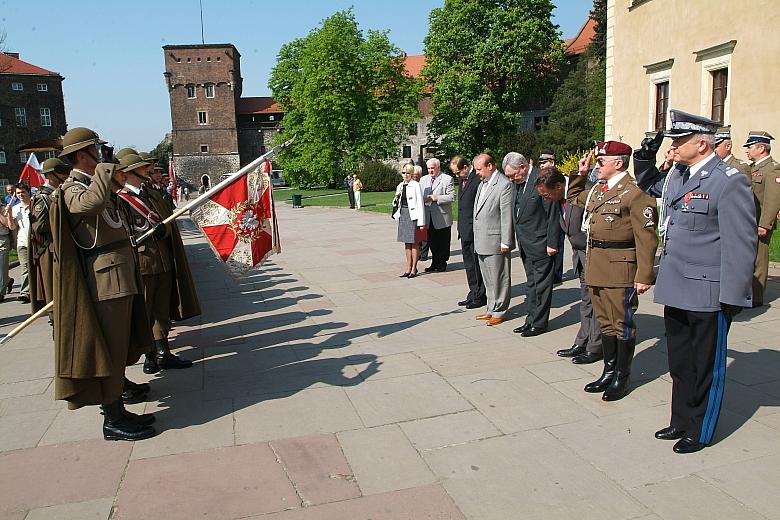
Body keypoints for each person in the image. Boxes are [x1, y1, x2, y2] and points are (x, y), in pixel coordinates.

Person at [633, 110, 756, 454]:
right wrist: (644, 154)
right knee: (681, 363)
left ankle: (700, 429)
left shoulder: (729, 180)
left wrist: (731, 297)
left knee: (706, 367)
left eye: (679, 140)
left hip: (708, 291)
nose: (673, 146)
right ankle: (680, 419)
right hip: (676, 286)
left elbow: (741, 243)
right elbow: (647, 183)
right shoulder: (680, 176)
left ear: (701, 144)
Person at [51, 127, 156, 441]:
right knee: (110, 349)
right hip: (106, 280)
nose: (101, 156)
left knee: (119, 344)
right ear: (83, 156)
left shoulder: (94, 184)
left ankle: (118, 410)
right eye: (96, 151)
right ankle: (112, 418)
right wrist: (105, 170)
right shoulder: (72, 188)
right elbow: (91, 205)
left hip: (119, 275)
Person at [568, 141, 658, 402]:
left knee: (621, 323)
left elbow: (647, 238)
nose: (596, 166)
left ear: (618, 163)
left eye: (600, 162)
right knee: (605, 322)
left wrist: (644, 275)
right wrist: (580, 174)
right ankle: (608, 371)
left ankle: (622, 375)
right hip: (597, 264)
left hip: (621, 267)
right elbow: (574, 198)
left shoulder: (635, 192)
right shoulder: (598, 189)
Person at [117, 153, 201, 374]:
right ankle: (149, 355)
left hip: (162, 260)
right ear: (127, 173)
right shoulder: (121, 199)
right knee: (144, 311)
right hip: (143, 264)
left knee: (160, 310)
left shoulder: (150, 194)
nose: (147, 170)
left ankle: (163, 352)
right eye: (141, 168)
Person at [536, 169, 604, 364]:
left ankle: (596, 347)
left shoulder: (587, 191)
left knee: (596, 302)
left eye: (547, 195)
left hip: (595, 255)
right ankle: (582, 341)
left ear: (559, 186)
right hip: (580, 256)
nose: (546, 199)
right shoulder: (558, 198)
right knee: (586, 302)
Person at [505, 153, 560, 337]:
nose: (512, 179)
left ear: (522, 167)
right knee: (531, 285)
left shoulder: (540, 179)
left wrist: (552, 242)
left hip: (541, 242)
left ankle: (539, 323)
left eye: (513, 175)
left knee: (542, 286)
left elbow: (551, 212)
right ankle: (530, 319)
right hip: (526, 243)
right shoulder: (517, 184)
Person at [473, 154, 515, 326]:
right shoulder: (482, 184)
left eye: (479, 169)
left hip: (495, 239)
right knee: (488, 277)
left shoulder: (504, 185)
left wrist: (506, 241)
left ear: (490, 166)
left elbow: (506, 215)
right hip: (481, 239)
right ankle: (491, 307)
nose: (477, 173)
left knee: (499, 277)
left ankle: (500, 310)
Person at [29, 157, 71, 312]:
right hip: (50, 250)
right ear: (51, 175)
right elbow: (39, 226)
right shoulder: (44, 197)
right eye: (61, 172)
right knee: (55, 293)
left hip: (60, 247)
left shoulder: (57, 193)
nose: (65, 175)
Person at [743, 131, 780, 308]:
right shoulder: (753, 167)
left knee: (759, 259)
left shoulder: (772, 168)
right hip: (749, 221)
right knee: (749, 257)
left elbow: (772, 200)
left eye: (750, 147)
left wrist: (765, 224)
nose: (747, 151)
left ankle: (756, 297)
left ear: (761, 148)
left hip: (759, 222)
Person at [453, 155, 486, 309]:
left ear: (466, 167)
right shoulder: (463, 179)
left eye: (458, 172)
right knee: (468, 264)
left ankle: (480, 294)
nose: (457, 176)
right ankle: (473, 292)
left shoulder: (477, 179)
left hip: (474, 229)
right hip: (464, 228)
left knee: (476, 264)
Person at [422, 158, 455, 272]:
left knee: (443, 242)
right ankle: (434, 262)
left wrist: (436, 198)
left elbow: (451, 197)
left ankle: (442, 263)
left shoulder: (447, 179)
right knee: (432, 241)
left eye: (433, 168)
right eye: (429, 168)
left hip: (442, 217)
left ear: (438, 168)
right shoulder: (423, 180)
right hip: (428, 216)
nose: (430, 171)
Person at [393, 163, 426, 278]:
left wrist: (421, 223)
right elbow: (396, 203)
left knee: (414, 243)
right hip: (404, 215)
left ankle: (413, 269)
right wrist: (396, 198)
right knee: (407, 243)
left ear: (412, 174)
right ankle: (408, 267)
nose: (405, 175)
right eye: (404, 173)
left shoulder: (416, 185)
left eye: (408, 173)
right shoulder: (400, 186)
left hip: (414, 216)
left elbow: (420, 205)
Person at [8, 183, 32, 304]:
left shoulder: (35, 204)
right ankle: (25, 293)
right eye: (18, 193)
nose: (20, 195)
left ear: (28, 192)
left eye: (23, 192)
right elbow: (12, 227)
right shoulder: (16, 208)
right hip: (22, 242)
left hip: (36, 241)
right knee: (25, 267)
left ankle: (40, 292)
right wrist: (9, 214)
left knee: (38, 268)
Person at [412, 165, 430, 261]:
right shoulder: (411, 184)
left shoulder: (424, 183)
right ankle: (418, 252)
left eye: (416, 175)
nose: (415, 176)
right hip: (415, 212)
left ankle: (423, 254)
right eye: (413, 174)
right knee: (417, 234)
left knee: (423, 234)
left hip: (424, 210)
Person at [0, 198, 13, 302]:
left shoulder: (5, 209)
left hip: (2, 240)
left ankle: (1, 293)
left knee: (2, 267)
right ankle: (8, 280)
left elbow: (7, 225)